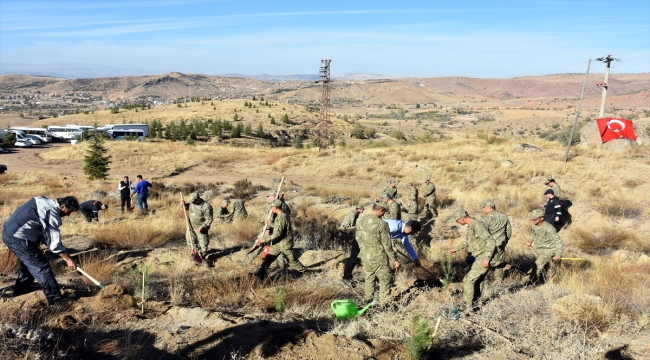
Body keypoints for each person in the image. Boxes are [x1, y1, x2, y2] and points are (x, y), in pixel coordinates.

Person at [2, 196, 79, 305]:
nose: (68, 215)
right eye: (68, 211)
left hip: (13, 232)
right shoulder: (50, 212)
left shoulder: (43, 200)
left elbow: (43, 230)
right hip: (18, 237)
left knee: (30, 261)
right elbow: (54, 245)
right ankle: (55, 299)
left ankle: (22, 288)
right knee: (41, 266)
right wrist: (68, 259)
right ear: (62, 206)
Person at [449, 209, 496, 311]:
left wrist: (487, 259)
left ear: (462, 219)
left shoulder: (478, 225)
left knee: (468, 280)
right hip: (479, 256)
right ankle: (476, 304)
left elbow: (491, 241)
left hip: (483, 257)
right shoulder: (472, 226)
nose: (457, 223)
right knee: (478, 281)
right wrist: (456, 249)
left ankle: (467, 307)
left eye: (457, 220)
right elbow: (467, 240)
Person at [356, 202, 400, 305]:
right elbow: (387, 245)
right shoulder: (382, 224)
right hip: (379, 258)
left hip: (365, 256)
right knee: (385, 281)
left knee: (369, 279)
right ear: (381, 210)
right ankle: (384, 306)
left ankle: (368, 303)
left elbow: (358, 238)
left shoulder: (360, 221)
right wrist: (395, 260)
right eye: (384, 212)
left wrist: (365, 249)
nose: (384, 215)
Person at [255, 199, 306, 279]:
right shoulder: (283, 215)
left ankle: (305, 273)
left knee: (292, 261)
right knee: (268, 259)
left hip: (285, 244)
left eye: (272, 207)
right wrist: (270, 224)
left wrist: (264, 239)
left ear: (276, 207)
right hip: (278, 244)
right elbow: (279, 227)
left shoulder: (281, 217)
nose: (271, 209)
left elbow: (277, 233)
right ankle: (259, 275)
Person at [527, 209, 564, 283]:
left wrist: (558, 254)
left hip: (550, 249)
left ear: (542, 218)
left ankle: (532, 281)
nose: (533, 220)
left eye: (535, 218)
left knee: (538, 264)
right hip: (540, 249)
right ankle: (545, 279)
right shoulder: (533, 225)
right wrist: (530, 240)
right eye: (532, 218)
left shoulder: (549, 228)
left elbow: (558, 242)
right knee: (545, 266)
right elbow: (534, 233)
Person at [480, 200, 512, 282]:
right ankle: (498, 280)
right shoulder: (504, 216)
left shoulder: (485, 219)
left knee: (485, 260)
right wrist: (505, 241)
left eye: (483, 208)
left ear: (489, 208)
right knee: (499, 262)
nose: (482, 210)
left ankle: (485, 279)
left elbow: (482, 232)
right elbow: (508, 231)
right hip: (501, 243)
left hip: (489, 244)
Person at [181, 192, 213, 261]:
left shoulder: (206, 207)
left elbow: (209, 219)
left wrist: (203, 226)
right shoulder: (192, 203)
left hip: (201, 228)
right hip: (191, 227)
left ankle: (202, 256)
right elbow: (187, 208)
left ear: (198, 199)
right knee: (190, 242)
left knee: (204, 246)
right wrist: (183, 205)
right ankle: (196, 255)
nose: (192, 203)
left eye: (193, 201)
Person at [341, 206, 365, 286]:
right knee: (353, 258)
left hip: (362, 239)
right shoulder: (355, 213)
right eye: (363, 209)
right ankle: (346, 278)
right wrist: (352, 226)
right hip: (351, 232)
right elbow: (352, 220)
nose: (363, 211)